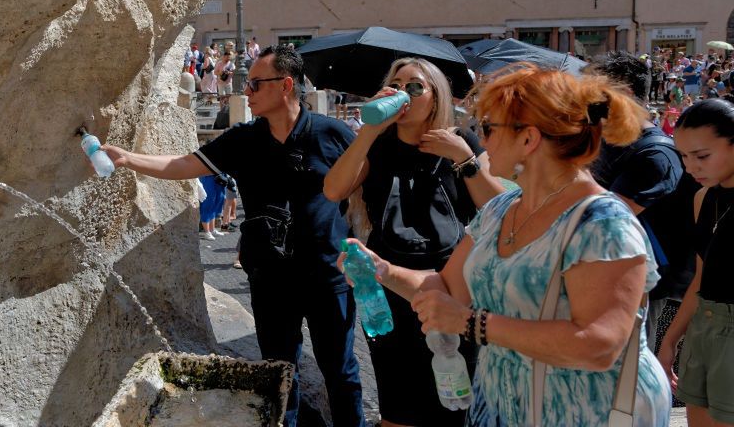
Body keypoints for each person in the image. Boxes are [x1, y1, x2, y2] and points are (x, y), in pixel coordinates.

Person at [340, 65, 671, 426]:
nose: (481, 140)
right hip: (507, 404)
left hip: (583, 411)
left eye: (488, 128)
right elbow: (449, 287)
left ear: (528, 139)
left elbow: (599, 344)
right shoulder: (501, 210)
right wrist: (382, 269)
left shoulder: (602, 223)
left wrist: (472, 323)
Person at [101, 45, 366, 427]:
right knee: (279, 374)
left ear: (286, 85)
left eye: (256, 84)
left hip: (329, 274)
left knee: (341, 371)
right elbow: (184, 164)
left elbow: (364, 179)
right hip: (271, 277)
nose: (247, 92)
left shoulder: (333, 133)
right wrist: (129, 159)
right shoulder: (243, 138)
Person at [324, 57, 503, 426]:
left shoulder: (461, 141)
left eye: (414, 86)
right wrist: (370, 130)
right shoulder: (377, 146)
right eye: (396, 85)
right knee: (398, 404)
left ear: (435, 97)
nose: (403, 93)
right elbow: (333, 189)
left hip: (455, 286)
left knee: (456, 401)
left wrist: (464, 159)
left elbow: (500, 208)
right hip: (390, 288)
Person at [588, 51, 699, 347]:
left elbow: (602, 219)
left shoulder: (656, 154)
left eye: (592, 92)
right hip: (611, 278)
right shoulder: (609, 143)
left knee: (635, 374)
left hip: (647, 290)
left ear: (623, 94)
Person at [659, 99, 734, 427]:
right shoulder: (703, 197)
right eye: (684, 156)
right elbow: (702, 278)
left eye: (702, 156)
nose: (691, 167)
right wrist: (670, 339)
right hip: (703, 329)